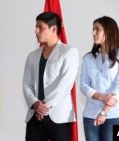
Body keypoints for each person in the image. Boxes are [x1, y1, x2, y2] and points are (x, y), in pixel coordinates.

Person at [22, 12, 79, 141]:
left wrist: (44, 107)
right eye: (36, 27)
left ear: (53, 29)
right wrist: (35, 104)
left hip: (59, 116)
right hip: (34, 116)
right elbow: (26, 84)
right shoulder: (32, 56)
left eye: (40, 27)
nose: (36, 31)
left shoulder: (69, 52)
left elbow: (65, 84)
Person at [80, 16, 119, 141]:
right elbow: (83, 85)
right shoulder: (88, 58)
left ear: (108, 31)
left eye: (97, 29)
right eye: (93, 29)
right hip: (90, 115)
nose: (93, 33)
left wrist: (104, 112)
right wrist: (102, 97)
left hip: (115, 115)